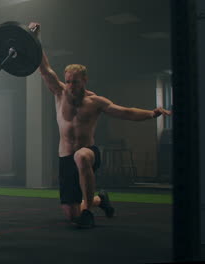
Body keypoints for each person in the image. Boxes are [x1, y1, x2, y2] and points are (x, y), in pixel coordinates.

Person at [29, 22, 172, 228]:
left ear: (84, 80)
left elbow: (126, 112)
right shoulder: (59, 93)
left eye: (75, 82)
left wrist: (152, 113)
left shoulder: (96, 103)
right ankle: (99, 200)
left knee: (81, 155)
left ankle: (88, 212)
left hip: (88, 153)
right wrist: (35, 38)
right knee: (70, 214)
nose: (70, 85)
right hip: (65, 159)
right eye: (68, 81)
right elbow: (44, 69)